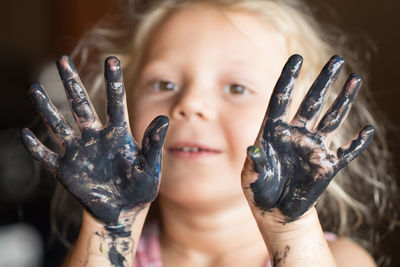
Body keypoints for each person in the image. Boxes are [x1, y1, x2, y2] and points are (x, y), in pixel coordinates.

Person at [21, 0, 395, 266]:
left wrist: (290, 230)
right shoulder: (100, 254)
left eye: (236, 88)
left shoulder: (337, 259)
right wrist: (110, 229)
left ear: (308, 119)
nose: (189, 103)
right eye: (163, 83)